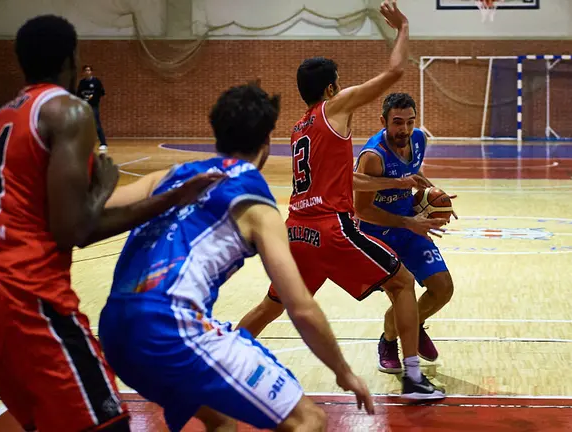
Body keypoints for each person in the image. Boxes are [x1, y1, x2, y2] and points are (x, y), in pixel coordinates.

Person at [0, 15, 221, 432]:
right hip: (26, 298)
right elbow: (74, 229)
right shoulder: (68, 110)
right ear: (71, 59)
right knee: (106, 424)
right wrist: (168, 197)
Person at [96, 83, 374, 432]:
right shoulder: (256, 203)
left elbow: (91, 216)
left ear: (216, 135)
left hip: (113, 331)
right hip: (170, 329)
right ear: (266, 144)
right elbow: (300, 306)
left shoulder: (168, 177)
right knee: (309, 420)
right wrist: (343, 372)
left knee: (221, 419)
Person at [235, 0, 447, 399]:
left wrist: (400, 184)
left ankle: (219, 362)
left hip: (296, 231)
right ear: (332, 87)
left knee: (270, 305)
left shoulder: (299, 129)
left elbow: (346, 181)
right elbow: (395, 71)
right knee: (401, 284)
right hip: (332, 229)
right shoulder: (334, 109)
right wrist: (403, 27)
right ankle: (414, 378)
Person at [354, 92, 456, 373]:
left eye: (410, 122)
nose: (405, 129)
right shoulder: (374, 158)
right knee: (404, 293)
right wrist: (410, 223)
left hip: (407, 222)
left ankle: (414, 325)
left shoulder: (419, 139)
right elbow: (361, 210)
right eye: (398, 123)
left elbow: (415, 172)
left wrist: (435, 199)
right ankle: (389, 341)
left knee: (443, 288)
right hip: (376, 234)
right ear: (383, 122)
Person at [77, 65, 108, 152]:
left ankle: (103, 143)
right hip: (84, 106)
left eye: (89, 70)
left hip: (93, 106)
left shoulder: (96, 81)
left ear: (91, 72)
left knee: (96, 124)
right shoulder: (82, 82)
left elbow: (102, 93)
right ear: (83, 72)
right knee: (83, 124)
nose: (87, 72)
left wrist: (93, 97)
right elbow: (78, 94)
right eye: (85, 70)